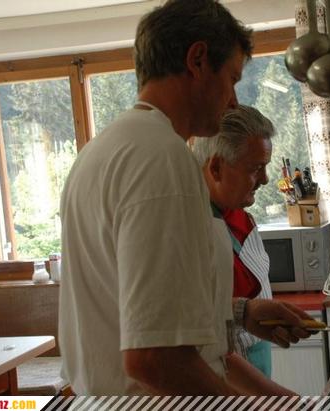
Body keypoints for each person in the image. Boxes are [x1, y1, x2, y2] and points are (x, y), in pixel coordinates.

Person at [59, 0, 311, 395]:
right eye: (231, 79)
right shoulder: (162, 157)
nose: (233, 100)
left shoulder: (99, 152)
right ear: (197, 61)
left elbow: (137, 308)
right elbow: (154, 358)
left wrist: (240, 311)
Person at [193, 105, 276, 377]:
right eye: (256, 168)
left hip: (257, 356)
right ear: (216, 168)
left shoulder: (240, 213)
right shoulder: (189, 228)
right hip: (225, 373)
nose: (265, 179)